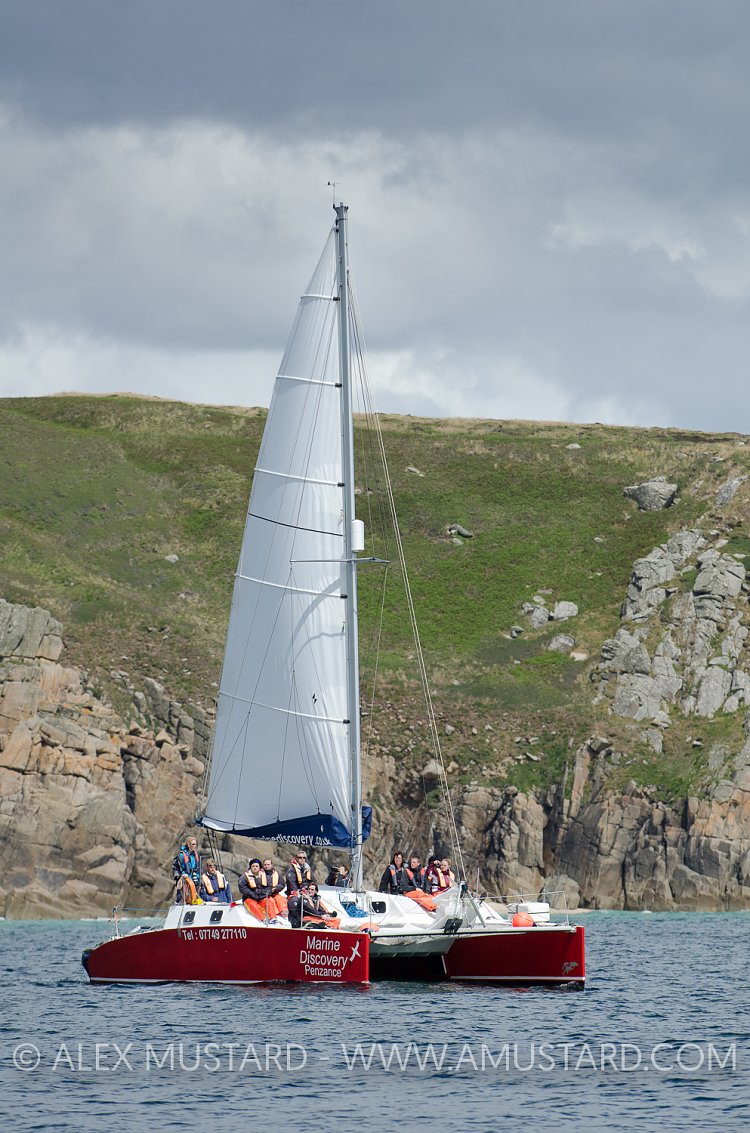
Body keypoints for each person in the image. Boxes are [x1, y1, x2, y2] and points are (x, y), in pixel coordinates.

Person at [172, 836, 202, 904]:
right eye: (193, 844)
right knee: (182, 895)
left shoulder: (195, 855)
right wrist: (180, 876)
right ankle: (178, 902)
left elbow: (199, 868)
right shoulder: (182, 856)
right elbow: (175, 867)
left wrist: (200, 875)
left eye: (196, 844)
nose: (195, 846)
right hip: (185, 878)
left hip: (194, 878)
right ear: (188, 845)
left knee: (197, 892)